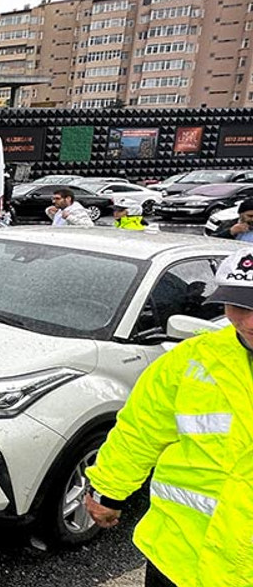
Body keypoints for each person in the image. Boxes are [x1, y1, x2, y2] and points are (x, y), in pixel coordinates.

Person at [84, 248, 253, 587]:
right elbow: (141, 430)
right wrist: (108, 493)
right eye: (241, 307)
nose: (249, 323)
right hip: (179, 556)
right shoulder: (193, 359)